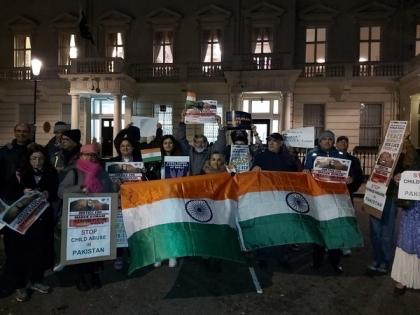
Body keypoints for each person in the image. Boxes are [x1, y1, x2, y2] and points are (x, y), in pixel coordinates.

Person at [2, 144, 58, 302]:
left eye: (40, 158)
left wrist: (49, 193)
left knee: (40, 250)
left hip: (42, 220)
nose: (37, 161)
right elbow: (7, 192)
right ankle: (20, 285)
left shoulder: (50, 172)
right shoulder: (20, 174)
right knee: (20, 253)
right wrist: (22, 192)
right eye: (34, 158)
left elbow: (55, 192)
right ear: (28, 159)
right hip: (22, 221)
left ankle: (36, 280)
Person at [58, 144, 114, 291]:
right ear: (81, 156)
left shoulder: (102, 172)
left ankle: (93, 274)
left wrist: (116, 188)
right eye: (87, 154)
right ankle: (80, 277)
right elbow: (61, 192)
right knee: (79, 248)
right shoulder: (74, 172)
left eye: (93, 155)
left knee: (94, 248)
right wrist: (79, 188)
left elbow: (109, 190)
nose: (90, 157)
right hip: (78, 219)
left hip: (96, 217)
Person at [304, 130, 352, 274]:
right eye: (324, 139)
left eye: (330, 139)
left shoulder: (340, 155)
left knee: (335, 230)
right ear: (319, 141)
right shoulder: (311, 155)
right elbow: (305, 172)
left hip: (335, 198)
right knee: (319, 230)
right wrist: (306, 172)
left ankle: (335, 263)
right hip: (318, 198)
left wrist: (351, 178)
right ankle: (317, 262)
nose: (327, 141)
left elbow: (350, 173)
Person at [251, 133, 299, 269]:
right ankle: (262, 256)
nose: (271, 143)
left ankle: (282, 255)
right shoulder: (261, 156)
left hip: (283, 198)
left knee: (283, 227)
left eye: (275, 141)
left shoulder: (289, 158)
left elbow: (296, 176)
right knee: (265, 227)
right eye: (269, 141)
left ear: (281, 143)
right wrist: (254, 169)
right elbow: (253, 172)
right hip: (265, 198)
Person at [366, 138, 413, 276]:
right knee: (375, 231)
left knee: (386, 231)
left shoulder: (404, 160)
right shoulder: (379, 160)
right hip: (374, 196)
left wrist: (401, 176)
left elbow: (410, 176)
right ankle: (376, 258)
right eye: (382, 147)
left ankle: (385, 261)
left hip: (390, 198)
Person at [335, 136, 365, 256]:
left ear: (348, 145)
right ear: (336, 144)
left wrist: (352, 180)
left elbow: (359, 176)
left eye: (345, 142)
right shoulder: (329, 157)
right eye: (340, 141)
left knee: (346, 219)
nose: (343, 143)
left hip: (346, 194)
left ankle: (345, 244)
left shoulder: (353, 160)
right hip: (330, 194)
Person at [176, 110, 226, 175]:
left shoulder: (210, 151)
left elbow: (221, 143)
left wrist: (219, 124)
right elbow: (181, 139)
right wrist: (182, 120)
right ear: (193, 143)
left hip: (206, 181)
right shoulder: (189, 151)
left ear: (206, 143)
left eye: (203, 141)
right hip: (191, 181)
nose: (200, 144)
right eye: (197, 142)